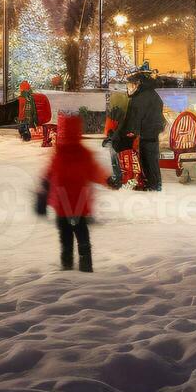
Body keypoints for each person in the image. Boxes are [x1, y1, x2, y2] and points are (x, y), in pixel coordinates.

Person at [44, 114, 105, 272]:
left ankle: (67, 267)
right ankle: (86, 267)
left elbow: (49, 176)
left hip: (62, 207)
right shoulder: (84, 154)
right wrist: (109, 180)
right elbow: (95, 173)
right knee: (83, 239)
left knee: (65, 241)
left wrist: (43, 192)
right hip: (80, 207)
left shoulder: (59, 155)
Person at [118, 71, 165, 191]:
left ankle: (152, 185)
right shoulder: (152, 94)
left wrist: (128, 132)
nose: (128, 87)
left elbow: (134, 118)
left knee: (147, 158)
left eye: (130, 84)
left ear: (137, 84)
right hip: (153, 131)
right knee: (152, 159)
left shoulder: (139, 98)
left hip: (145, 132)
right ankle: (154, 183)